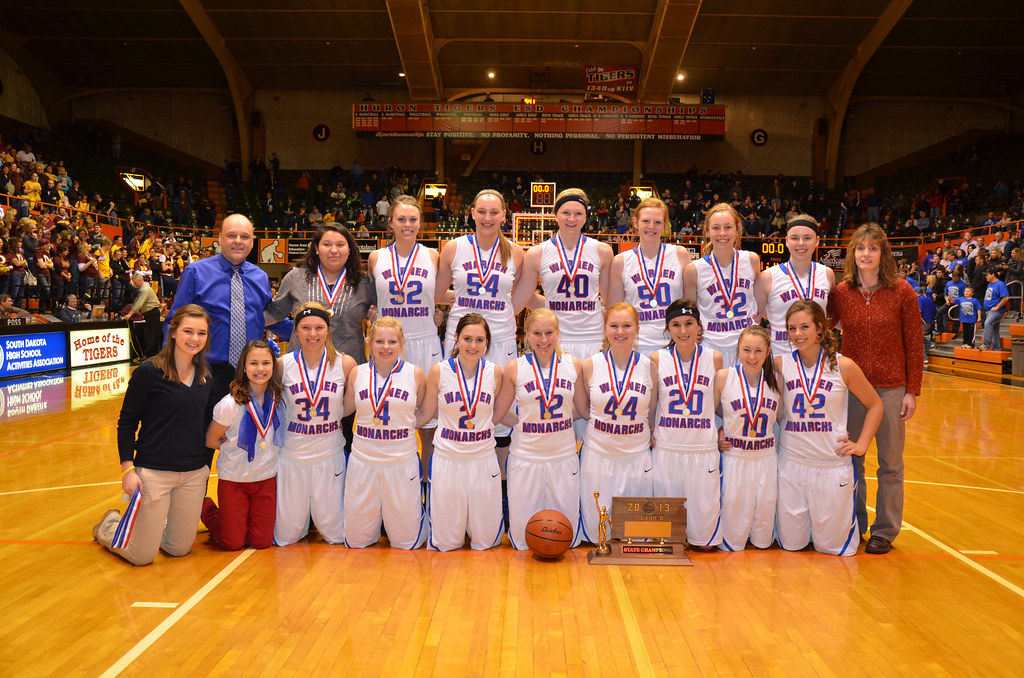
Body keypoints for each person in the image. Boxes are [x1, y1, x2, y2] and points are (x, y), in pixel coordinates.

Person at [93, 305, 214, 566]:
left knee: (178, 548)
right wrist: (129, 470)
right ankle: (110, 524)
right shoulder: (149, 372)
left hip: (193, 474)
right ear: (173, 333)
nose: (195, 339)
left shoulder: (205, 376)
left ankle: (154, 524)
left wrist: (205, 465)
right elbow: (126, 423)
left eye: (201, 333)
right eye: (188, 331)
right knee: (141, 556)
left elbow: (205, 424)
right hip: (154, 472)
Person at [827, 224, 923, 554]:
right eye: (860, 248)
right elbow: (821, 329)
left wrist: (913, 390)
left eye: (873, 248)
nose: (866, 254)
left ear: (883, 254)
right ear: (853, 254)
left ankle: (884, 530)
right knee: (852, 459)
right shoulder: (841, 293)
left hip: (893, 388)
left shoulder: (902, 292)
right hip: (853, 390)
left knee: (891, 464)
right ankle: (854, 523)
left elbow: (914, 342)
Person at [776, 300, 883, 556]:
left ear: (821, 329)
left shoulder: (843, 366)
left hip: (831, 466)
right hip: (792, 465)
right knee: (792, 546)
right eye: (792, 329)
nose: (798, 334)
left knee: (834, 549)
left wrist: (862, 445)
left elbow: (876, 405)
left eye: (804, 327)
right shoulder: (780, 364)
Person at [491, 309, 585, 550]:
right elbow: (498, 414)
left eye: (549, 333)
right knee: (523, 540)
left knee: (567, 535)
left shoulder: (573, 365)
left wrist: (563, 419)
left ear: (558, 334)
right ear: (527, 336)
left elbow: (583, 409)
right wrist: (522, 423)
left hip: (563, 457)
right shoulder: (515, 367)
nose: (543, 340)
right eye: (537, 333)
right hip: (525, 458)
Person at [367, 196, 442, 478]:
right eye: (401, 219)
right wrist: (373, 313)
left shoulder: (433, 255)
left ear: (421, 224)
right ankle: (396, 479)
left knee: (429, 424)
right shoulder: (376, 257)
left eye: (413, 219)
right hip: (390, 345)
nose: (407, 224)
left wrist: (440, 312)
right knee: (390, 416)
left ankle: (427, 481)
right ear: (391, 223)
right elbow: (372, 300)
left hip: (425, 340)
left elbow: (440, 294)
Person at [417, 314, 504, 551]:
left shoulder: (495, 372)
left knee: (486, 542)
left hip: (482, 459)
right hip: (448, 459)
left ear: (487, 343)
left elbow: (498, 414)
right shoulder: (439, 371)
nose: (473, 346)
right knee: (445, 542)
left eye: (479, 340)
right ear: (456, 338)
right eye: (467, 338)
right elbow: (425, 415)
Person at [167, 214, 272, 404]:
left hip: (250, 373)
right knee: (205, 431)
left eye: (244, 237)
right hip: (205, 371)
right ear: (220, 239)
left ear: (252, 242)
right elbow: (174, 321)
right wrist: (170, 365)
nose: (238, 241)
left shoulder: (261, 277)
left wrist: (310, 328)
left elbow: (271, 317)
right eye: (232, 236)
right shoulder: (195, 272)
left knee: (246, 431)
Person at [275, 303, 356, 546]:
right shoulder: (282, 364)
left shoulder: (345, 363)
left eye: (319, 328)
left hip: (329, 455)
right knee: (285, 536)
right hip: (292, 455)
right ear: (296, 330)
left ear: (328, 330)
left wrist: (333, 419)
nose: (313, 334)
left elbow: (349, 406)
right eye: (306, 328)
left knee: (337, 535)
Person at [343, 318, 427, 549]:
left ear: (401, 343)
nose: (385, 347)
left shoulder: (415, 374)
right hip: (363, 461)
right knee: (357, 541)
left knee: (406, 542)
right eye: (379, 341)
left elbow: (427, 411)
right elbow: (345, 409)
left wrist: (407, 426)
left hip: (401, 461)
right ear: (370, 342)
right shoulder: (357, 373)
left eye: (392, 341)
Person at [577, 303, 655, 543]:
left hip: (636, 456)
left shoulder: (649, 366)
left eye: (626, 326)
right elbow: (583, 410)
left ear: (637, 329)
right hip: (599, 455)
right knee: (597, 536)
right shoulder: (589, 365)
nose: (620, 332)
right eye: (614, 326)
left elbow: (651, 412)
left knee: (636, 538)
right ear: (605, 329)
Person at [649, 300, 723, 549]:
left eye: (689, 323)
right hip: (668, 448)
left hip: (701, 448)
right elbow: (652, 403)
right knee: (668, 540)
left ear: (699, 326)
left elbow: (717, 404)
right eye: (676, 325)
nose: (683, 331)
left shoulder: (714, 357)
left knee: (704, 543)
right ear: (667, 328)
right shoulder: (657, 358)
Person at [201, 341, 283, 550]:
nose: (260, 369)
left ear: (273, 366)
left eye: (266, 363)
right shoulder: (229, 404)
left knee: (262, 542)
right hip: (234, 480)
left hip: (265, 479)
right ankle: (205, 508)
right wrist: (235, 447)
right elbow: (211, 439)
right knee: (232, 543)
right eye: (253, 363)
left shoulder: (279, 399)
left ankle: (239, 521)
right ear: (243, 367)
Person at [515, 188, 613, 359]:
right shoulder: (537, 253)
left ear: (585, 216)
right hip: (554, 337)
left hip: (593, 337)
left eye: (578, 213)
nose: (572, 218)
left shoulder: (603, 251)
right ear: (555, 214)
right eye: (566, 212)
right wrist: (552, 304)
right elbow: (525, 298)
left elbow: (610, 300)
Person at [716, 326, 781, 551]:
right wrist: (719, 431)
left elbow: (783, 418)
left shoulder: (777, 381)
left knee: (763, 537)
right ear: (738, 350)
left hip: (766, 458)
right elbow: (712, 411)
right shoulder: (724, 377)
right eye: (746, 350)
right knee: (732, 536)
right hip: (735, 457)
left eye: (758, 351)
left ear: (768, 351)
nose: (752, 357)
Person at [608, 197, 692, 355]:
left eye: (658, 222)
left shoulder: (680, 255)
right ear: (635, 222)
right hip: (637, 346)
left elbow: (691, 304)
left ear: (666, 225)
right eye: (646, 221)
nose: (651, 227)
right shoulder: (621, 261)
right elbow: (614, 311)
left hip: (675, 344)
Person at [684, 204, 760, 368]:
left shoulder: (752, 260)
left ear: (738, 230)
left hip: (747, 347)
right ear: (707, 231)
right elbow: (690, 314)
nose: (723, 233)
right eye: (716, 228)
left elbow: (761, 303)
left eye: (728, 227)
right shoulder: (694, 269)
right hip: (710, 347)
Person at [754, 215, 834, 357]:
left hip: (817, 356)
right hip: (780, 357)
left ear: (817, 241)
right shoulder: (767, 277)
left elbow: (829, 315)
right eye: (795, 238)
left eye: (807, 238)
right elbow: (756, 318)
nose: (801, 243)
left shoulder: (827, 274)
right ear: (786, 241)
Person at [123, 272, 162, 358]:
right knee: (151, 334)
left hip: (152, 313)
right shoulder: (142, 289)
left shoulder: (145, 290)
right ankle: (152, 354)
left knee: (150, 334)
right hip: (150, 313)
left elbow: (138, 304)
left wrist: (129, 315)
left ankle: (148, 355)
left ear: (140, 280)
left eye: (135, 282)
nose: (134, 284)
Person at [981, 270, 1010, 351]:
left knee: (988, 323)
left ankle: (986, 344)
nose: (985, 276)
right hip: (988, 310)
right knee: (994, 329)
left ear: (992, 274)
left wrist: (997, 307)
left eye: (987, 275)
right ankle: (996, 348)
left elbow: (1006, 297)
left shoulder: (1000, 284)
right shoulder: (990, 284)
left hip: (996, 310)